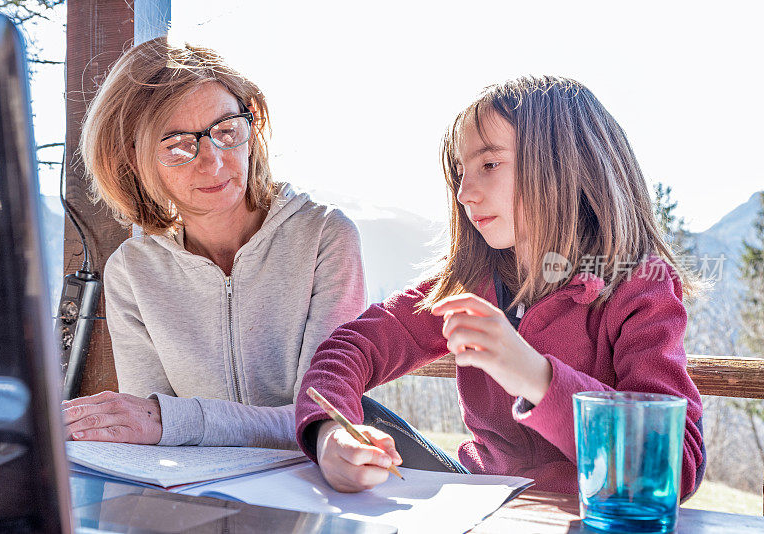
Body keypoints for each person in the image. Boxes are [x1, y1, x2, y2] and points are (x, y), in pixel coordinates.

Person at [295, 76, 705, 496]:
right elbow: (352, 347)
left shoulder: (638, 288)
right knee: (358, 412)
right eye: (459, 172)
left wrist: (535, 376)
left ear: (566, 165)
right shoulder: (467, 286)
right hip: (479, 505)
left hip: (589, 516)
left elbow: (676, 468)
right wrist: (329, 435)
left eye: (489, 165)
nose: (464, 193)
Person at [61, 38, 367, 449]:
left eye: (226, 131)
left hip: (309, 495)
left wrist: (176, 421)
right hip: (192, 499)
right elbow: (149, 433)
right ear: (135, 159)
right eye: (178, 145)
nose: (214, 161)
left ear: (252, 126)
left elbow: (322, 419)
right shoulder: (133, 272)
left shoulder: (325, 236)